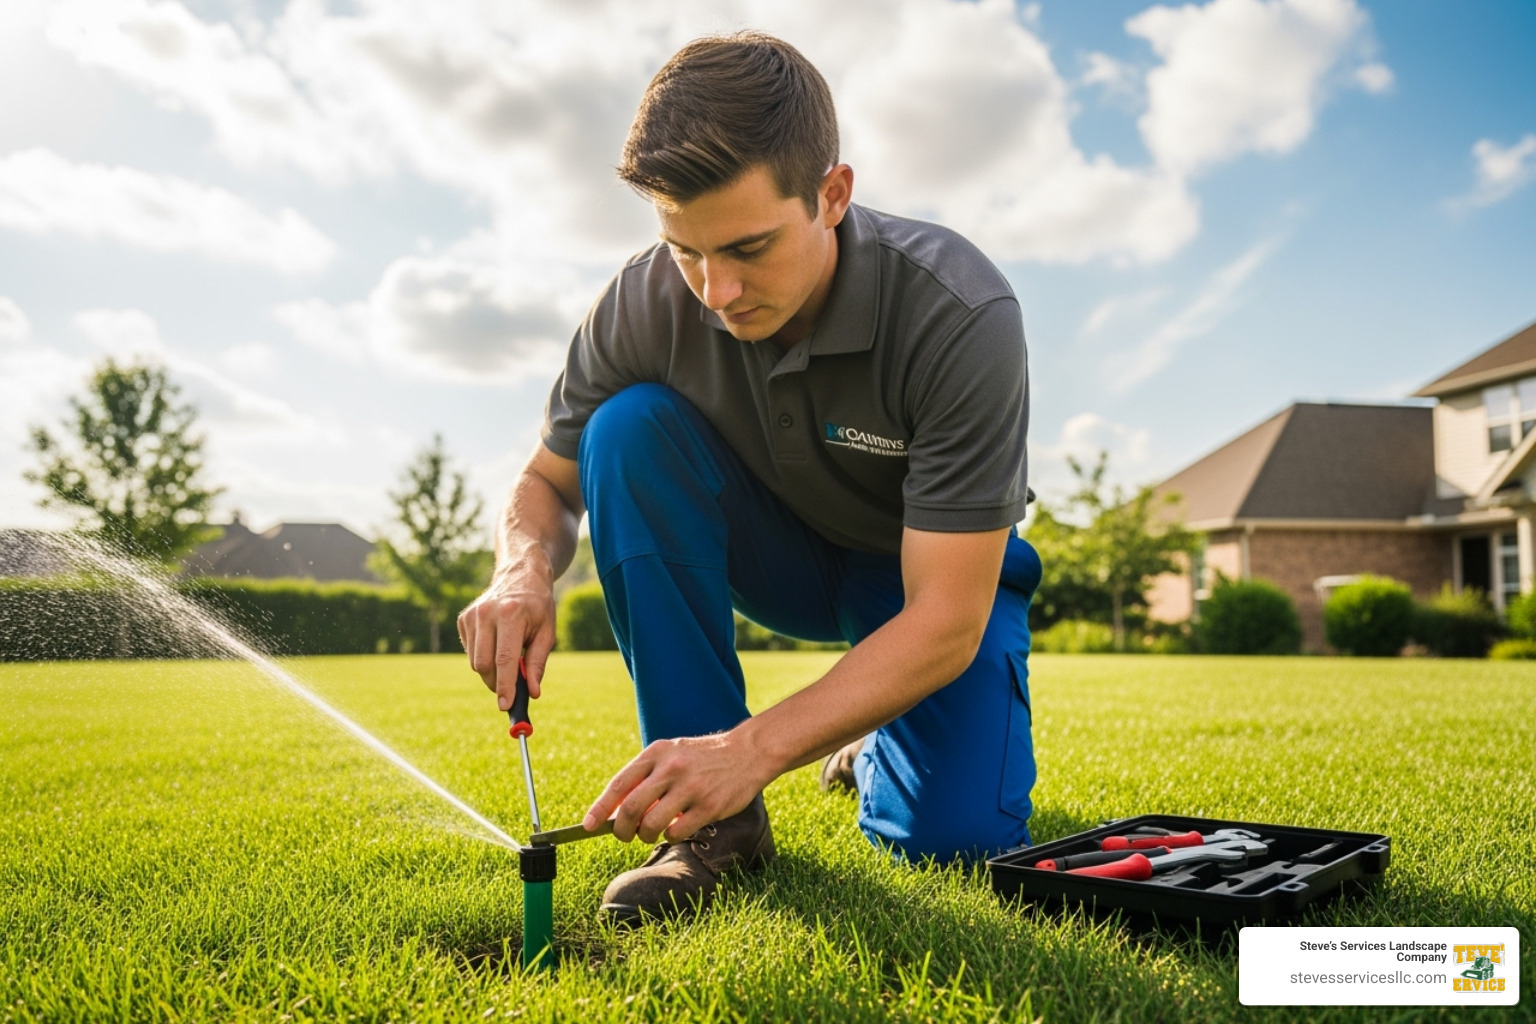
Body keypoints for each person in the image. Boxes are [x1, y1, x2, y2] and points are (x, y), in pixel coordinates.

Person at [457, 31, 1041, 925]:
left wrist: (756, 745)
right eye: (685, 250)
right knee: (623, 431)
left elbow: (945, 622)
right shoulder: (642, 301)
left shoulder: (961, 314)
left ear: (832, 196)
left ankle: (868, 748)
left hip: (915, 584)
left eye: (749, 248)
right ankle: (714, 829)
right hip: (777, 561)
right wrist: (521, 569)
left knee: (953, 842)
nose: (714, 292)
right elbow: (545, 484)